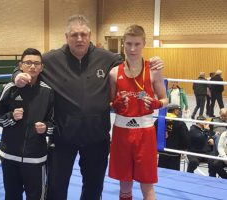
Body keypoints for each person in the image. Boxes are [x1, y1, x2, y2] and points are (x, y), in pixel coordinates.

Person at [13, 15, 164, 200]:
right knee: (56, 187)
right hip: (62, 137)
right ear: (66, 36)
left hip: (96, 137)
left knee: (93, 188)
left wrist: (154, 61)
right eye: (74, 34)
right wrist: (17, 75)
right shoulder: (51, 60)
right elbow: (27, 65)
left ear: (90, 35)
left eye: (83, 34)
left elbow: (133, 62)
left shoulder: (108, 59)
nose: (79, 39)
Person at [108, 24, 168, 200]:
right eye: (128, 44)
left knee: (147, 185)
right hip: (121, 132)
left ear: (144, 44)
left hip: (145, 133)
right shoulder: (113, 73)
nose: (132, 49)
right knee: (124, 184)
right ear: (123, 44)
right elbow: (110, 102)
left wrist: (157, 103)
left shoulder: (154, 70)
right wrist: (115, 104)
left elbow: (165, 100)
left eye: (136, 44)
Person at [0, 48, 54, 200]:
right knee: (12, 196)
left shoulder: (48, 92)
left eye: (36, 63)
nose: (32, 66)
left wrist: (46, 128)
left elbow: (55, 123)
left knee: (36, 197)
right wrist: (11, 117)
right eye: (28, 63)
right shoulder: (10, 88)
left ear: (42, 67)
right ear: (21, 65)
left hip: (35, 157)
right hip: (9, 155)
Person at [155, 104, 189, 171]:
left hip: (162, 151)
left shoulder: (159, 120)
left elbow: (153, 133)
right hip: (174, 153)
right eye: (178, 110)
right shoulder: (180, 123)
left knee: (161, 173)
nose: (179, 112)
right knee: (173, 174)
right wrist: (184, 149)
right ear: (175, 110)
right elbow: (185, 137)